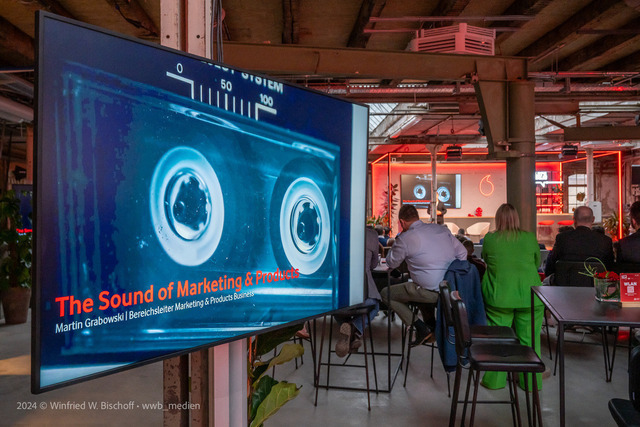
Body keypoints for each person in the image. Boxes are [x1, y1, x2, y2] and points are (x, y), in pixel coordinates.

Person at [380, 204, 467, 346]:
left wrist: (398, 240)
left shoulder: (406, 238)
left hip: (429, 291)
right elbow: (463, 253)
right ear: (417, 217)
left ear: (402, 222)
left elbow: (391, 262)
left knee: (386, 293)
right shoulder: (440, 229)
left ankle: (421, 328)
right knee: (418, 290)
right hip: (450, 290)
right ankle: (432, 327)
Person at [480, 203, 544, 390]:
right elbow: (537, 263)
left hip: (499, 297)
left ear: (498, 219)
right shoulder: (529, 237)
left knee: (499, 340)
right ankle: (531, 384)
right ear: (517, 218)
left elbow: (485, 259)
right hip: (529, 297)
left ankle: (494, 381)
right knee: (530, 341)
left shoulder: (490, 239)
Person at [335, 227, 382, 357]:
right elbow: (373, 265)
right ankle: (354, 329)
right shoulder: (371, 234)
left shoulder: (337, 231)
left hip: (339, 297)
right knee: (375, 305)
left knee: (334, 308)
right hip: (362, 295)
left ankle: (349, 331)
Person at [544, 206, 614, 278]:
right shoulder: (605, 241)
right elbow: (610, 269)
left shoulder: (562, 238)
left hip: (565, 283)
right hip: (594, 283)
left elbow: (550, 267)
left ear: (574, 219)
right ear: (593, 219)